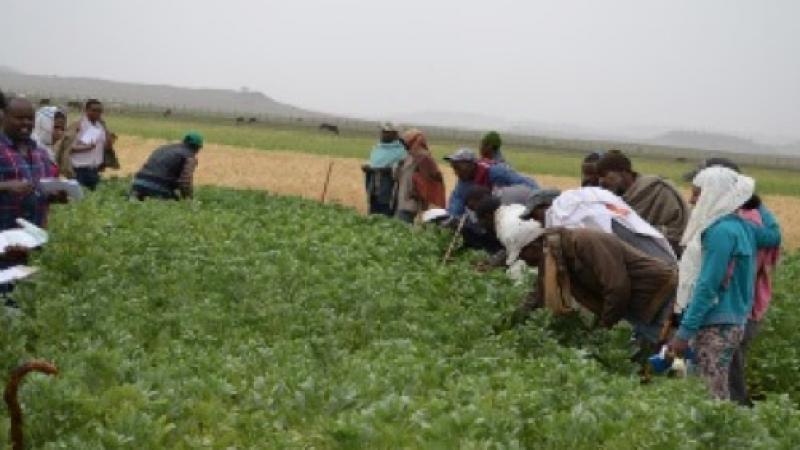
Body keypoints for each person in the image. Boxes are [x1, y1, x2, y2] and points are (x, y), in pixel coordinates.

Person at [491, 205, 677, 348]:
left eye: (523, 255)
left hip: (659, 296)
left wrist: (603, 329)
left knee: (667, 350)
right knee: (648, 354)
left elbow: (617, 288)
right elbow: (536, 296)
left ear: (534, 245)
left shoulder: (584, 242)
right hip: (638, 304)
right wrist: (507, 326)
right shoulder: (553, 259)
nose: (524, 260)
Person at [668, 167, 757, 401]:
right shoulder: (739, 226)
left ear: (715, 193)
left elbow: (708, 285)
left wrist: (684, 331)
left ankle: (716, 438)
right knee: (715, 387)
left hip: (716, 323)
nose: (692, 199)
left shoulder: (720, 232)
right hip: (731, 320)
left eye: (698, 193)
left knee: (709, 394)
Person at [0, 97, 64, 307]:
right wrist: (5, 186)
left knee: (22, 305)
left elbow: (42, 189)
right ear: (4, 117)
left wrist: (55, 196)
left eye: (30, 119)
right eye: (19, 118)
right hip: (4, 243)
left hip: (31, 242)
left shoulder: (38, 153)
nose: (25, 124)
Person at [597, 150, 689, 255]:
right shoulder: (615, 197)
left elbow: (677, 230)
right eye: (599, 177)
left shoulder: (657, 190)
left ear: (623, 172)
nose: (601, 181)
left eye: (604, 175)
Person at [445, 148, 539, 218]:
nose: (456, 172)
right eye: (454, 167)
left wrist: (538, 201)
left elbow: (526, 184)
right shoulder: (463, 184)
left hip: (511, 211)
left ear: (472, 164)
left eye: (458, 167)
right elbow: (456, 204)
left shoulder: (495, 171)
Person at [56, 99, 118, 190]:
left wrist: (108, 134)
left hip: (94, 170)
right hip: (79, 171)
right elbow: (69, 148)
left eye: (99, 111)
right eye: (94, 110)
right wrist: (86, 148)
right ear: (86, 110)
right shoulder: (77, 125)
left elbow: (107, 147)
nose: (97, 113)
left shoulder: (100, 126)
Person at [130, 132, 203, 200]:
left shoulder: (164, 148)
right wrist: (188, 199)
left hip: (137, 183)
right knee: (174, 207)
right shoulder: (189, 157)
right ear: (197, 147)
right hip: (158, 186)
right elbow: (185, 181)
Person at [393, 129, 445, 223]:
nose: (405, 145)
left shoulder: (424, 159)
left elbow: (430, 182)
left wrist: (418, 193)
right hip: (404, 200)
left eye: (407, 142)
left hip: (415, 203)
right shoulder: (408, 157)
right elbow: (397, 177)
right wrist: (398, 166)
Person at [363, 123, 406, 216]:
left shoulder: (401, 151)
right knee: (372, 217)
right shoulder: (377, 148)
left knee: (386, 219)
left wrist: (382, 170)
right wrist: (367, 168)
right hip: (373, 191)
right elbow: (372, 163)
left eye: (387, 132)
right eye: (382, 131)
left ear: (395, 134)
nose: (383, 134)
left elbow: (400, 171)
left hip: (389, 194)